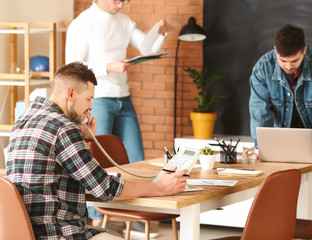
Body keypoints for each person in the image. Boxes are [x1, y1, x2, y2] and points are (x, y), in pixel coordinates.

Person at [5, 62, 188, 240]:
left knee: (110, 234)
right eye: (89, 99)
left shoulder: (24, 120)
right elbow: (103, 187)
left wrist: (83, 139)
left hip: (24, 232)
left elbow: (62, 169)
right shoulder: (64, 127)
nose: (91, 107)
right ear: (71, 93)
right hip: (57, 233)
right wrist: (158, 188)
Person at [65, 0, 168, 233]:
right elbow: (72, 66)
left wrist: (158, 33)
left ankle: (140, 219)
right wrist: (107, 68)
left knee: (137, 159)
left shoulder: (123, 21)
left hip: (123, 96)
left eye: (125, 0)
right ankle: (95, 222)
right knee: (97, 161)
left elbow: (147, 48)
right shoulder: (82, 24)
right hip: (98, 98)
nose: (121, 4)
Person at [249, 24, 312, 206]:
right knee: (282, 202)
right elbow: (259, 111)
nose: (288, 66)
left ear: (304, 50)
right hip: (281, 145)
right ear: (275, 50)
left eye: (295, 61)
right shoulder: (262, 68)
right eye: (283, 60)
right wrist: (262, 147)